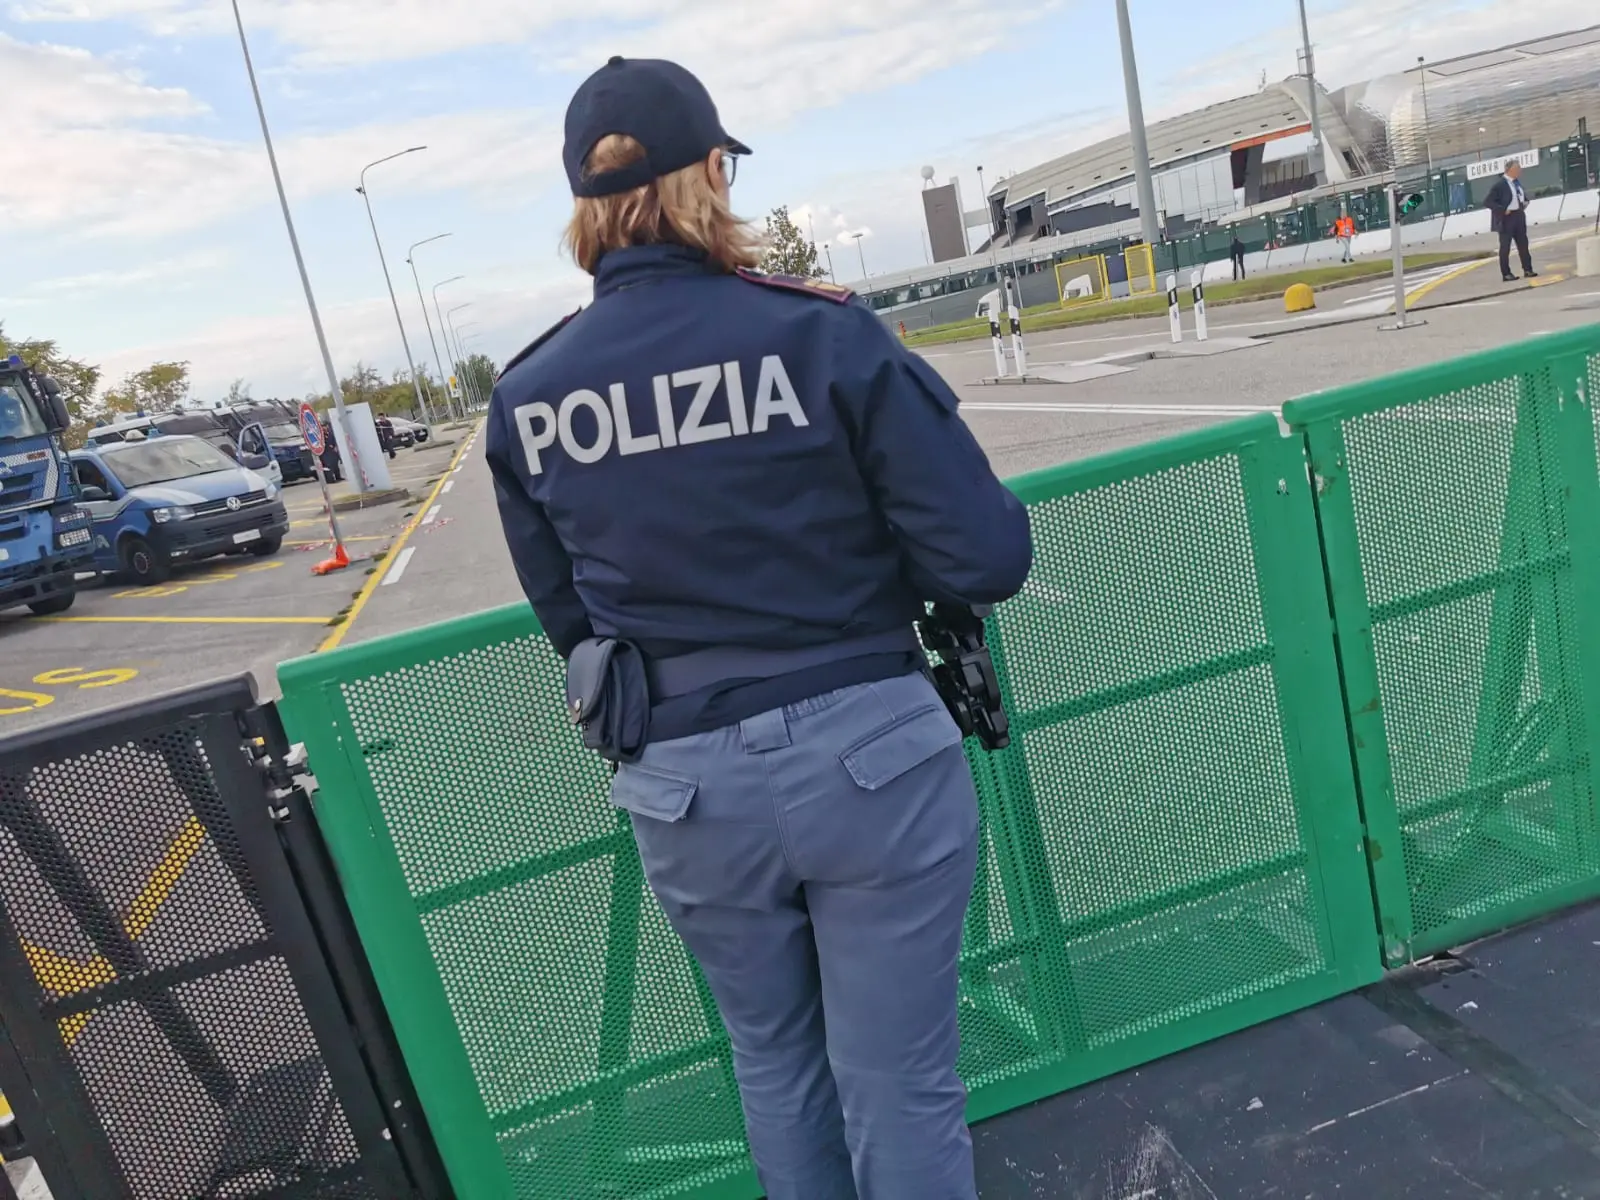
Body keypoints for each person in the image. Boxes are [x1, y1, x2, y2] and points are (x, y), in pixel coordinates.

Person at [486, 56, 1032, 1200]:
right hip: (871, 753)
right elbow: (986, 556)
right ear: (709, 177)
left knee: (776, 1067)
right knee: (898, 1082)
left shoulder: (531, 395)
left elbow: (572, 625)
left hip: (683, 784)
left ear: (584, 208)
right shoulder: (818, 335)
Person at [1486, 160, 1537, 282]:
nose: (1520, 171)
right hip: (1506, 218)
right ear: (1510, 170)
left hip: (1518, 215)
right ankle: (1506, 273)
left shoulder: (1516, 183)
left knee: (1523, 244)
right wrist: (1503, 210)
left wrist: (1524, 202)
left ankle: (1528, 269)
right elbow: (1488, 202)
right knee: (1505, 247)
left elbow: (1518, 196)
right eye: (1517, 169)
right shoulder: (1500, 185)